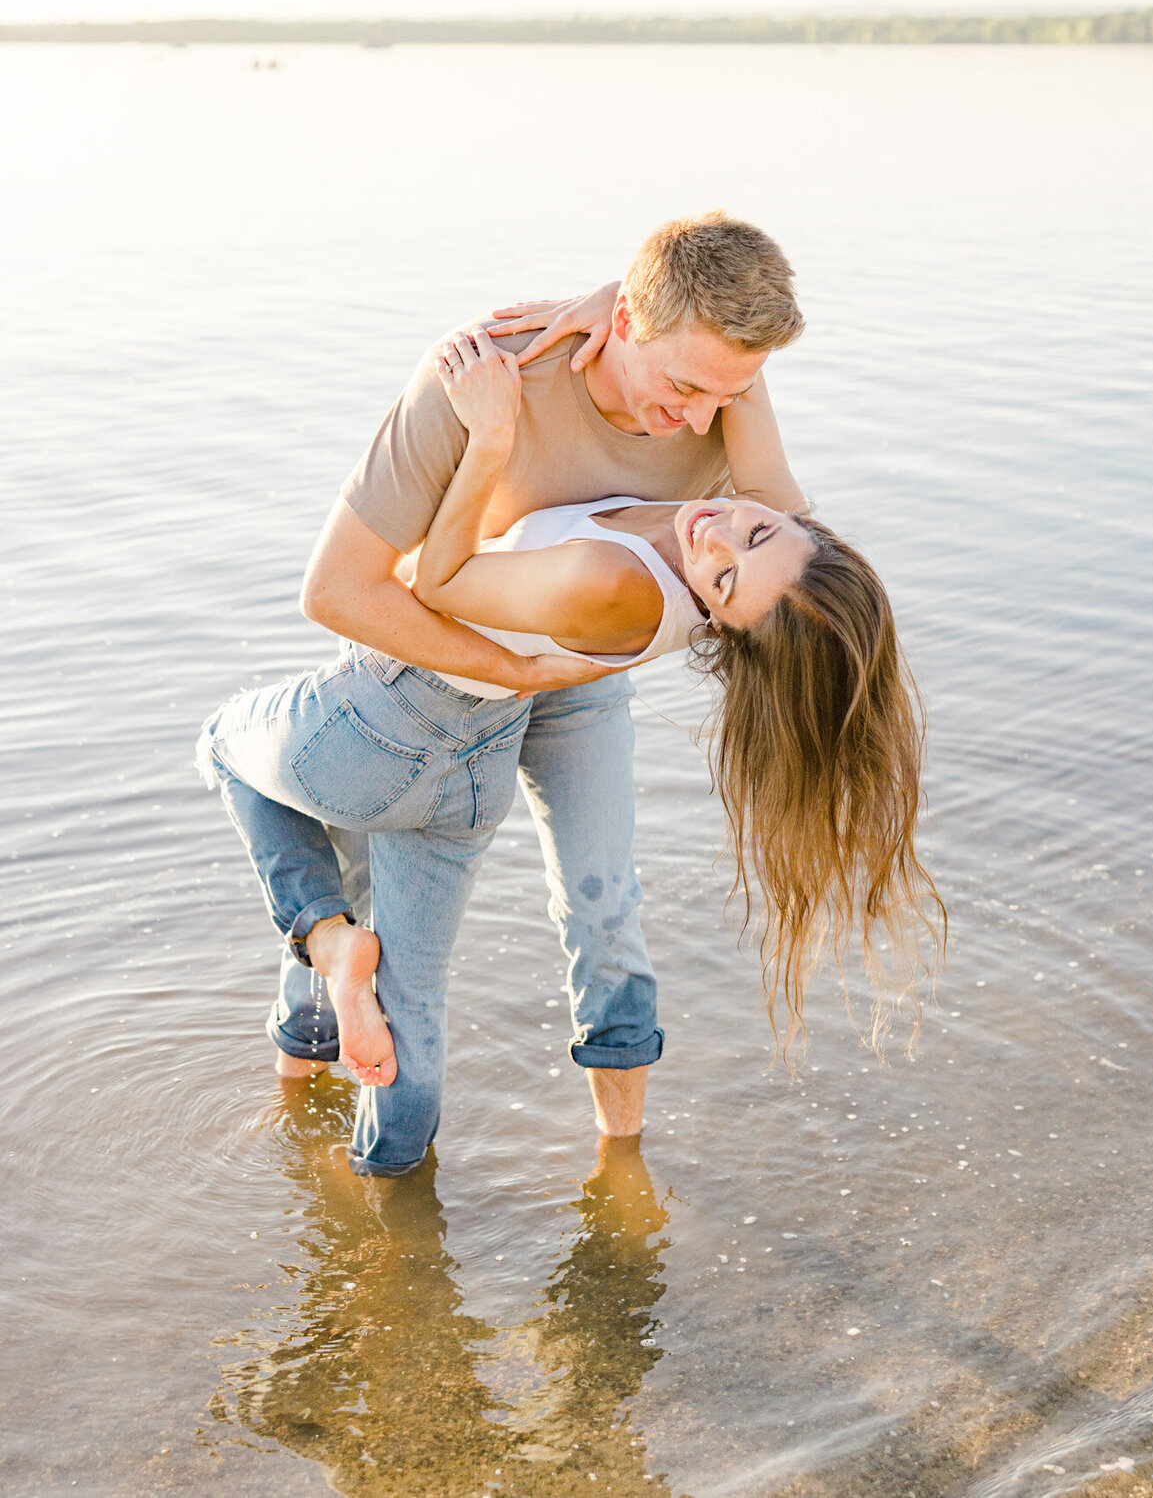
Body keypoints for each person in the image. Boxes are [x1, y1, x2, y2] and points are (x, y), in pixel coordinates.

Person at [198, 327, 942, 1177]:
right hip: (497, 722)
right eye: (760, 532)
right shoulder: (771, 534)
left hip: (428, 711)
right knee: (483, 960)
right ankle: (535, 1182)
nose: (720, 534)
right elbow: (736, 349)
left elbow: (425, 584)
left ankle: (325, 960)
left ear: (731, 632)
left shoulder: (614, 579)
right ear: (804, 525)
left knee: (231, 751)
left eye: (728, 577)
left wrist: (493, 441)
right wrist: (608, 305)